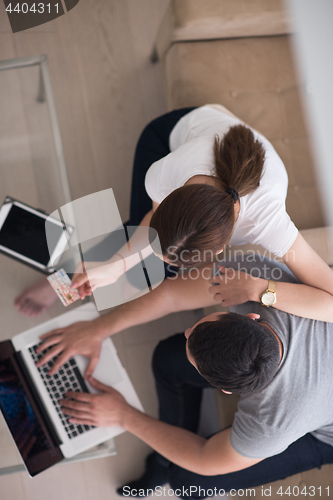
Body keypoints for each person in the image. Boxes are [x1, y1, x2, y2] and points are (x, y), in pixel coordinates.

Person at [15, 105, 333, 322]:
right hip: (167, 136)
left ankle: (70, 273)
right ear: (170, 198)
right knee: (139, 250)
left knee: (155, 267)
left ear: (220, 248)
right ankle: (57, 281)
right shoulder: (165, 174)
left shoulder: (270, 223)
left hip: (224, 142)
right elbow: (149, 225)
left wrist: (262, 290)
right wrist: (113, 266)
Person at [52, 256, 333, 497]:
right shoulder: (253, 279)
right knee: (167, 358)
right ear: (249, 317)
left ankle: (164, 463)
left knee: (188, 483)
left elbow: (203, 457)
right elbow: (172, 295)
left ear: (225, 390)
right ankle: (164, 457)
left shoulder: (271, 425)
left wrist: (124, 416)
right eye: (193, 331)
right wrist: (99, 328)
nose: (187, 332)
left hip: (325, 432)